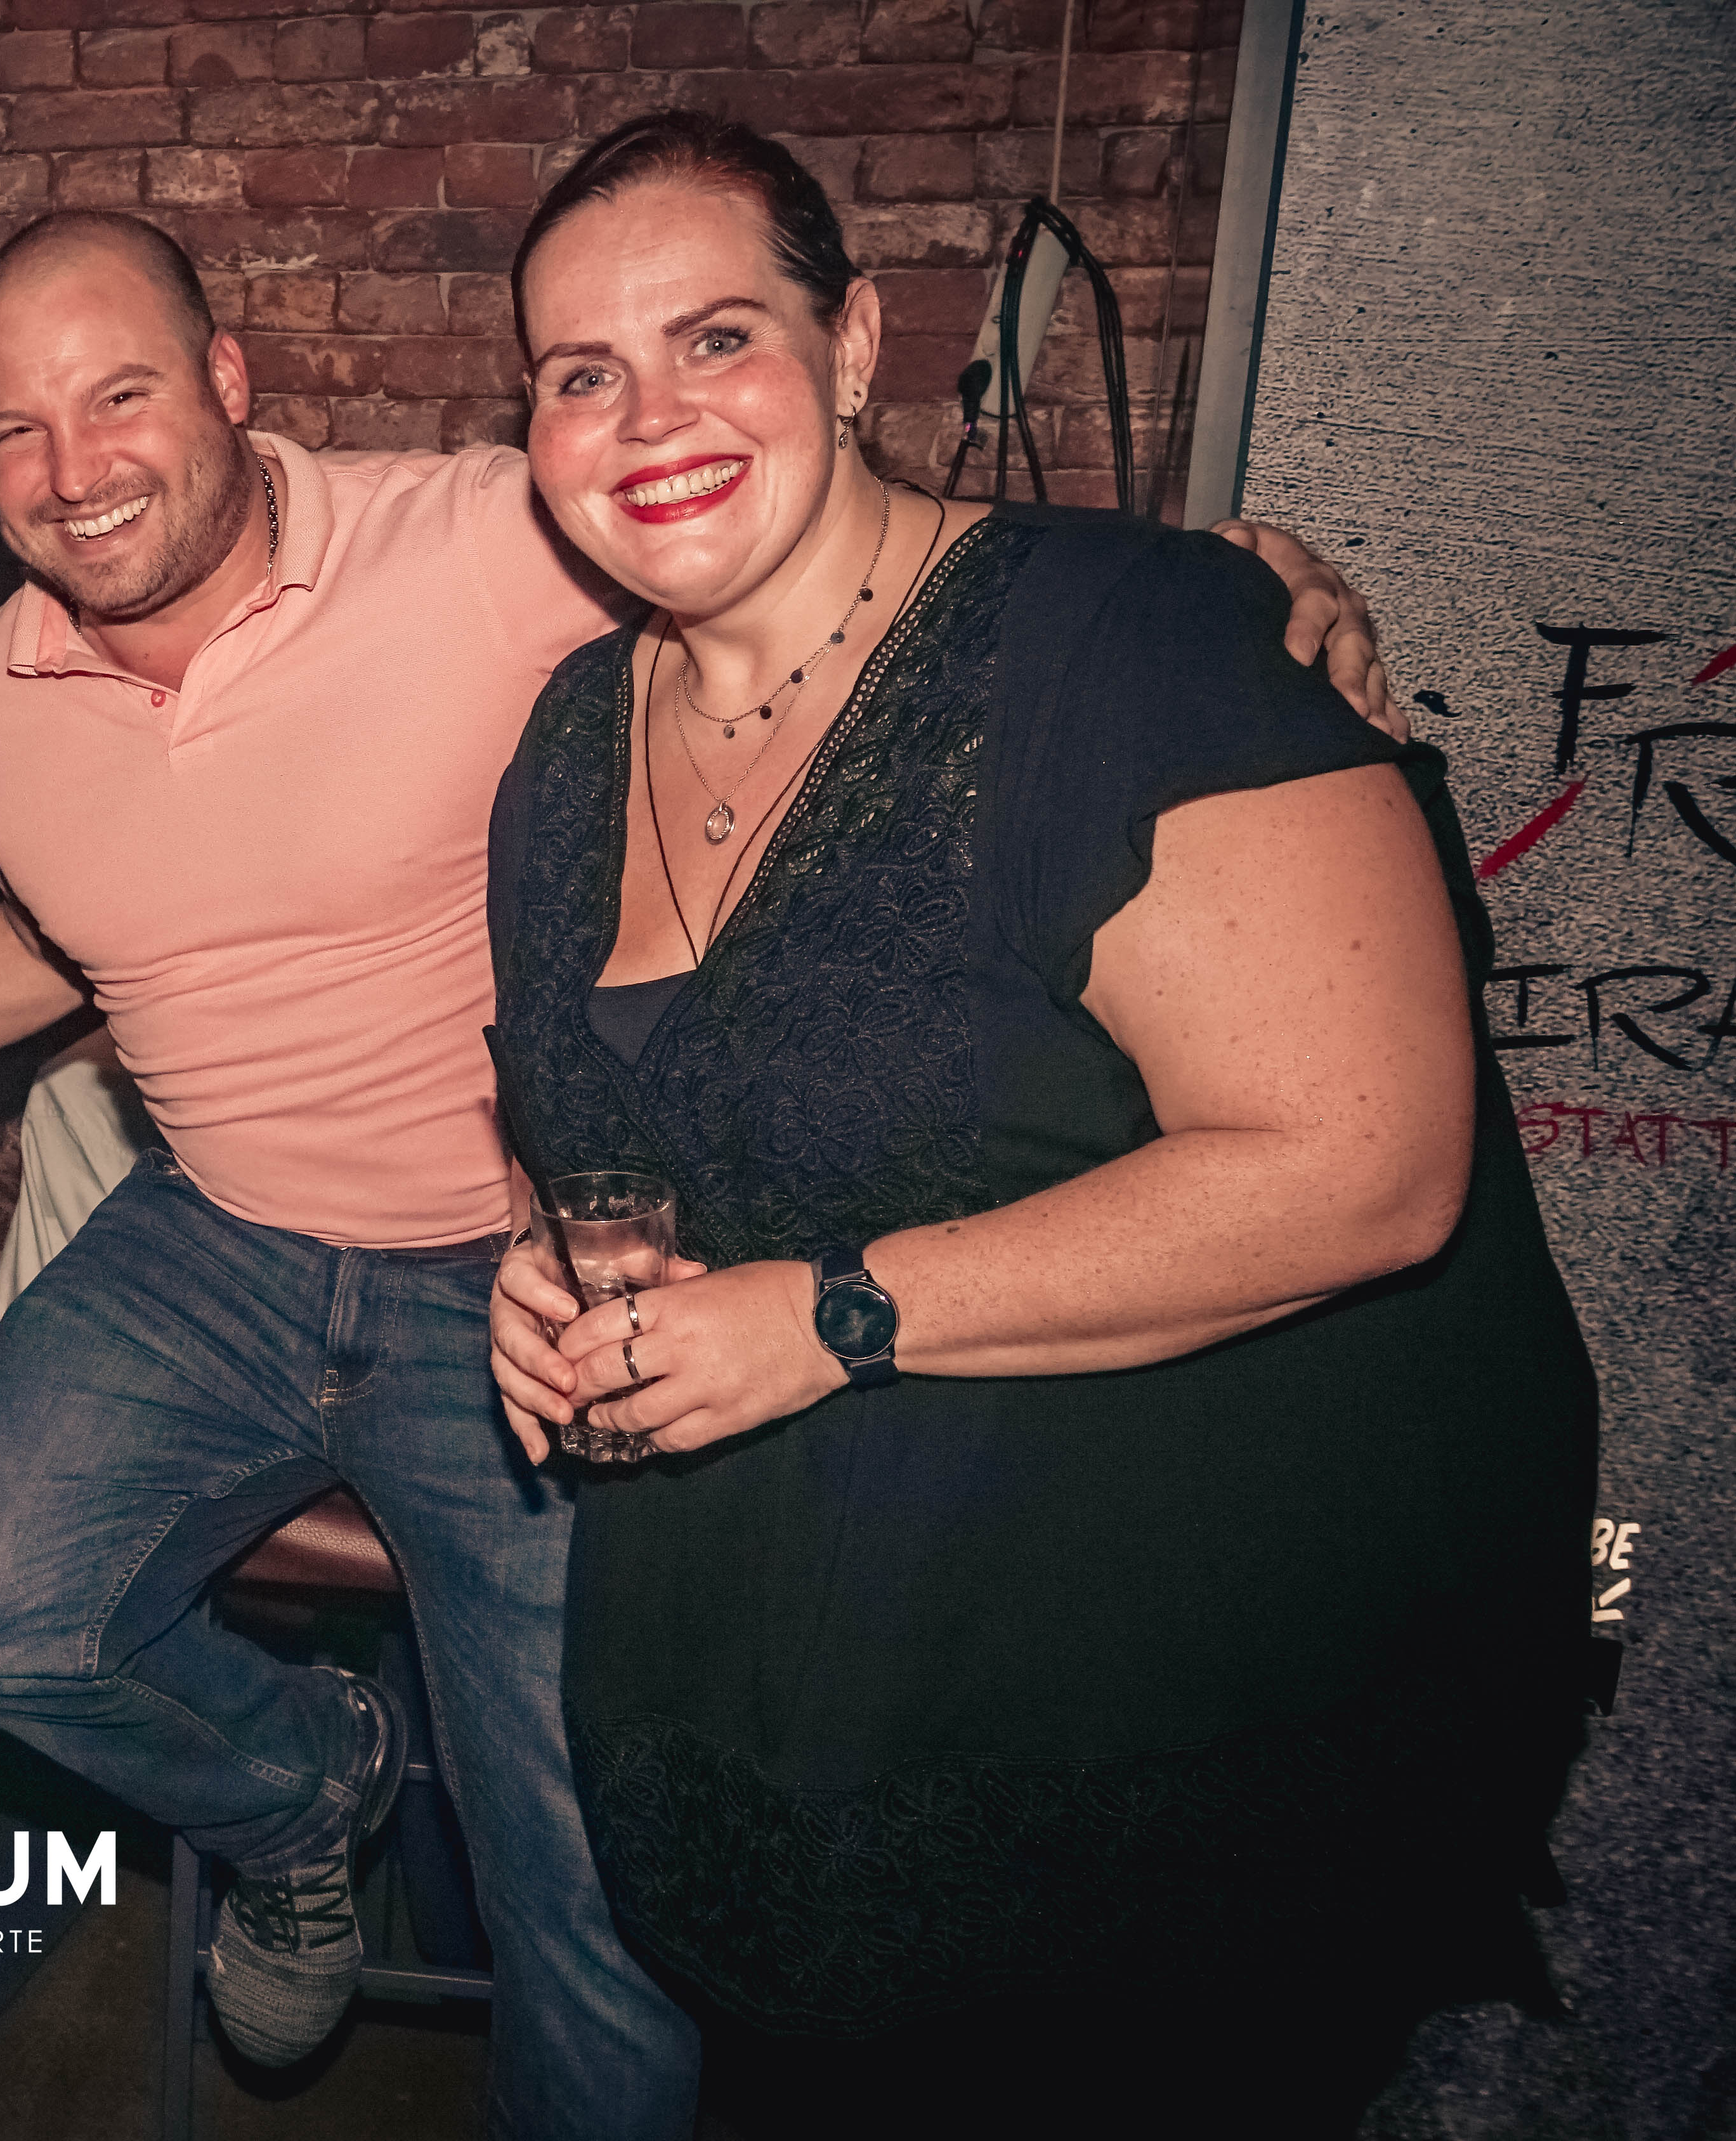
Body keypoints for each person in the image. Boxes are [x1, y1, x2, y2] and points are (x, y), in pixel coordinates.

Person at [0, 208, 1390, 2141]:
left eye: (120, 397)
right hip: (215, 1238)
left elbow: (841, 558)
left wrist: (1208, 582)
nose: (72, 468)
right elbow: (67, 935)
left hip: (511, 1275)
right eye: (16, 428)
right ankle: (311, 1788)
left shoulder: (488, 538)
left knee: (598, 1901)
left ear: (230, 384)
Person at [476, 113, 1592, 2137]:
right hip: (762, 1735)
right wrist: (540, 1273)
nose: (648, 418)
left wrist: (830, 1315)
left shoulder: (1138, 643)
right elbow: (639, 1138)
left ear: (851, 347)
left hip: (1128, 1755)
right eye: (581, 374)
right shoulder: (566, 747)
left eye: (716, 337)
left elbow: (1366, 1166)